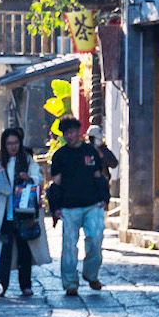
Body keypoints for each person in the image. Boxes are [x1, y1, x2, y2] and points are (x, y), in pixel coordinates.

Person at [48, 117, 110, 296]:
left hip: (92, 205)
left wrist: (104, 199)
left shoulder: (90, 151)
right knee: (69, 246)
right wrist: (55, 208)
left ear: (79, 131)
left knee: (96, 239)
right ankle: (70, 283)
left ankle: (91, 274)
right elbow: (56, 184)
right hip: (69, 208)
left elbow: (99, 176)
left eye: (72, 131)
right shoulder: (59, 156)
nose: (70, 136)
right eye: (66, 133)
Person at [0, 127, 50, 296]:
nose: (12, 146)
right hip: (5, 213)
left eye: (15, 143)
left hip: (23, 212)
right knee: (4, 251)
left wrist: (29, 178)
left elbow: (38, 178)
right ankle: (2, 285)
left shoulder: (27, 160)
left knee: (25, 249)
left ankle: (26, 285)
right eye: (9, 143)